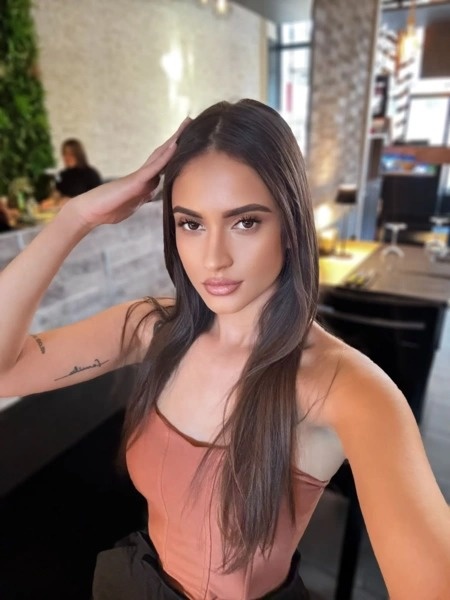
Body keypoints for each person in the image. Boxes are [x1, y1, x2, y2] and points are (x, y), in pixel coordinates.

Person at [0, 99, 449, 600]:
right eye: (191, 224)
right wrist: (76, 217)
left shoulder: (345, 387)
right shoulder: (154, 327)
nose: (213, 258)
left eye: (245, 222)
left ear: (291, 225)